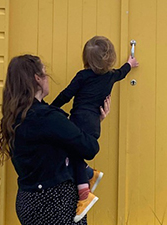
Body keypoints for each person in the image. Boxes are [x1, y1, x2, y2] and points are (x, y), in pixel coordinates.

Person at [0, 54, 111, 225]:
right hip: (54, 203)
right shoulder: (48, 118)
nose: (47, 79)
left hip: (28, 201)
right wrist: (94, 123)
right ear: (37, 79)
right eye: (45, 73)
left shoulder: (15, 117)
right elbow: (89, 148)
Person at [51, 35, 139, 222]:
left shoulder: (82, 76)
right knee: (75, 154)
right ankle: (90, 174)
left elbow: (67, 94)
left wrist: (51, 107)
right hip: (94, 124)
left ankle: (84, 195)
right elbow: (123, 72)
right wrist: (130, 63)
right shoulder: (111, 76)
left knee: (73, 154)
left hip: (79, 121)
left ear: (86, 59)